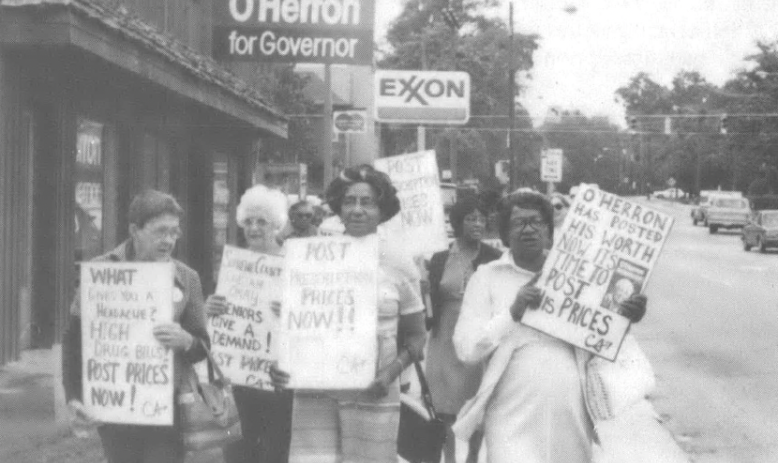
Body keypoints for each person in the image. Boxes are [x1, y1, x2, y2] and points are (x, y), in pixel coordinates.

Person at [452, 191, 647, 463]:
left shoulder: (580, 276)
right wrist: (512, 313)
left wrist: (625, 319)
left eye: (537, 222)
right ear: (505, 233)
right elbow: (466, 348)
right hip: (509, 413)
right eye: (519, 223)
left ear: (549, 231)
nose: (529, 229)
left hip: (570, 413)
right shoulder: (487, 277)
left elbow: (602, 341)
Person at [270, 165, 428, 463]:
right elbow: (291, 324)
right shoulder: (312, 256)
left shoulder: (399, 261)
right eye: (349, 201)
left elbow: (418, 336)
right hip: (315, 390)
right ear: (338, 208)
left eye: (366, 202)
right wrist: (280, 363)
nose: (356, 210)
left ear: (382, 210)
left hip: (373, 390)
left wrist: (390, 373)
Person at [62, 190, 209, 463]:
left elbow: (203, 347)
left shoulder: (187, 279)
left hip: (169, 409)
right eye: (160, 231)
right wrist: (73, 396)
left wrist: (186, 340)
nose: (168, 240)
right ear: (135, 230)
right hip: (115, 406)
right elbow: (74, 340)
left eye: (174, 232)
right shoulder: (100, 271)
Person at [205, 184, 293, 463]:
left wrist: (293, 313)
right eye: (248, 222)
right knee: (238, 450)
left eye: (262, 222)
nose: (254, 228)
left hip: (280, 377)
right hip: (239, 378)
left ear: (276, 225)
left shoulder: (292, 261)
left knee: (275, 450)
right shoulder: (235, 264)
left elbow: (312, 317)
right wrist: (211, 309)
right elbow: (223, 319)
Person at [425, 197, 502, 463]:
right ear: (458, 223)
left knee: (476, 404)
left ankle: (471, 458)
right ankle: (449, 459)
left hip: (476, 339)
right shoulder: (439, 258)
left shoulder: (494, 257)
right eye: (471, 218)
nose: (478, 224)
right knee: (444, 408)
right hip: (443, 340)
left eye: (481, 219)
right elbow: (429, 303)